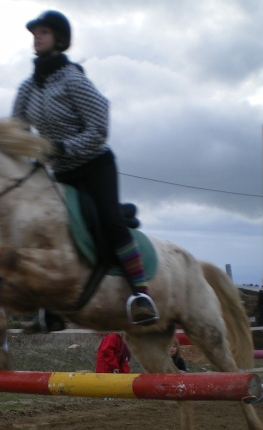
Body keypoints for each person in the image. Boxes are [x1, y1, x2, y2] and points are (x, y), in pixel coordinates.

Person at [13, 10, 158, 329]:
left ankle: (141, 295)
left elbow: (99, 127)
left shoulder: (73, 80)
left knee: (109, 222)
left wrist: (63, 148)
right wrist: (25, 162)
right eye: (34, 32)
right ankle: (50, 309)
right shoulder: (27, 88)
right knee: (46, 227)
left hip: (95, 165)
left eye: (44, 32)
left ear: (60, 40)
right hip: (61, 173)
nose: (37, 36)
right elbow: (18, 131)